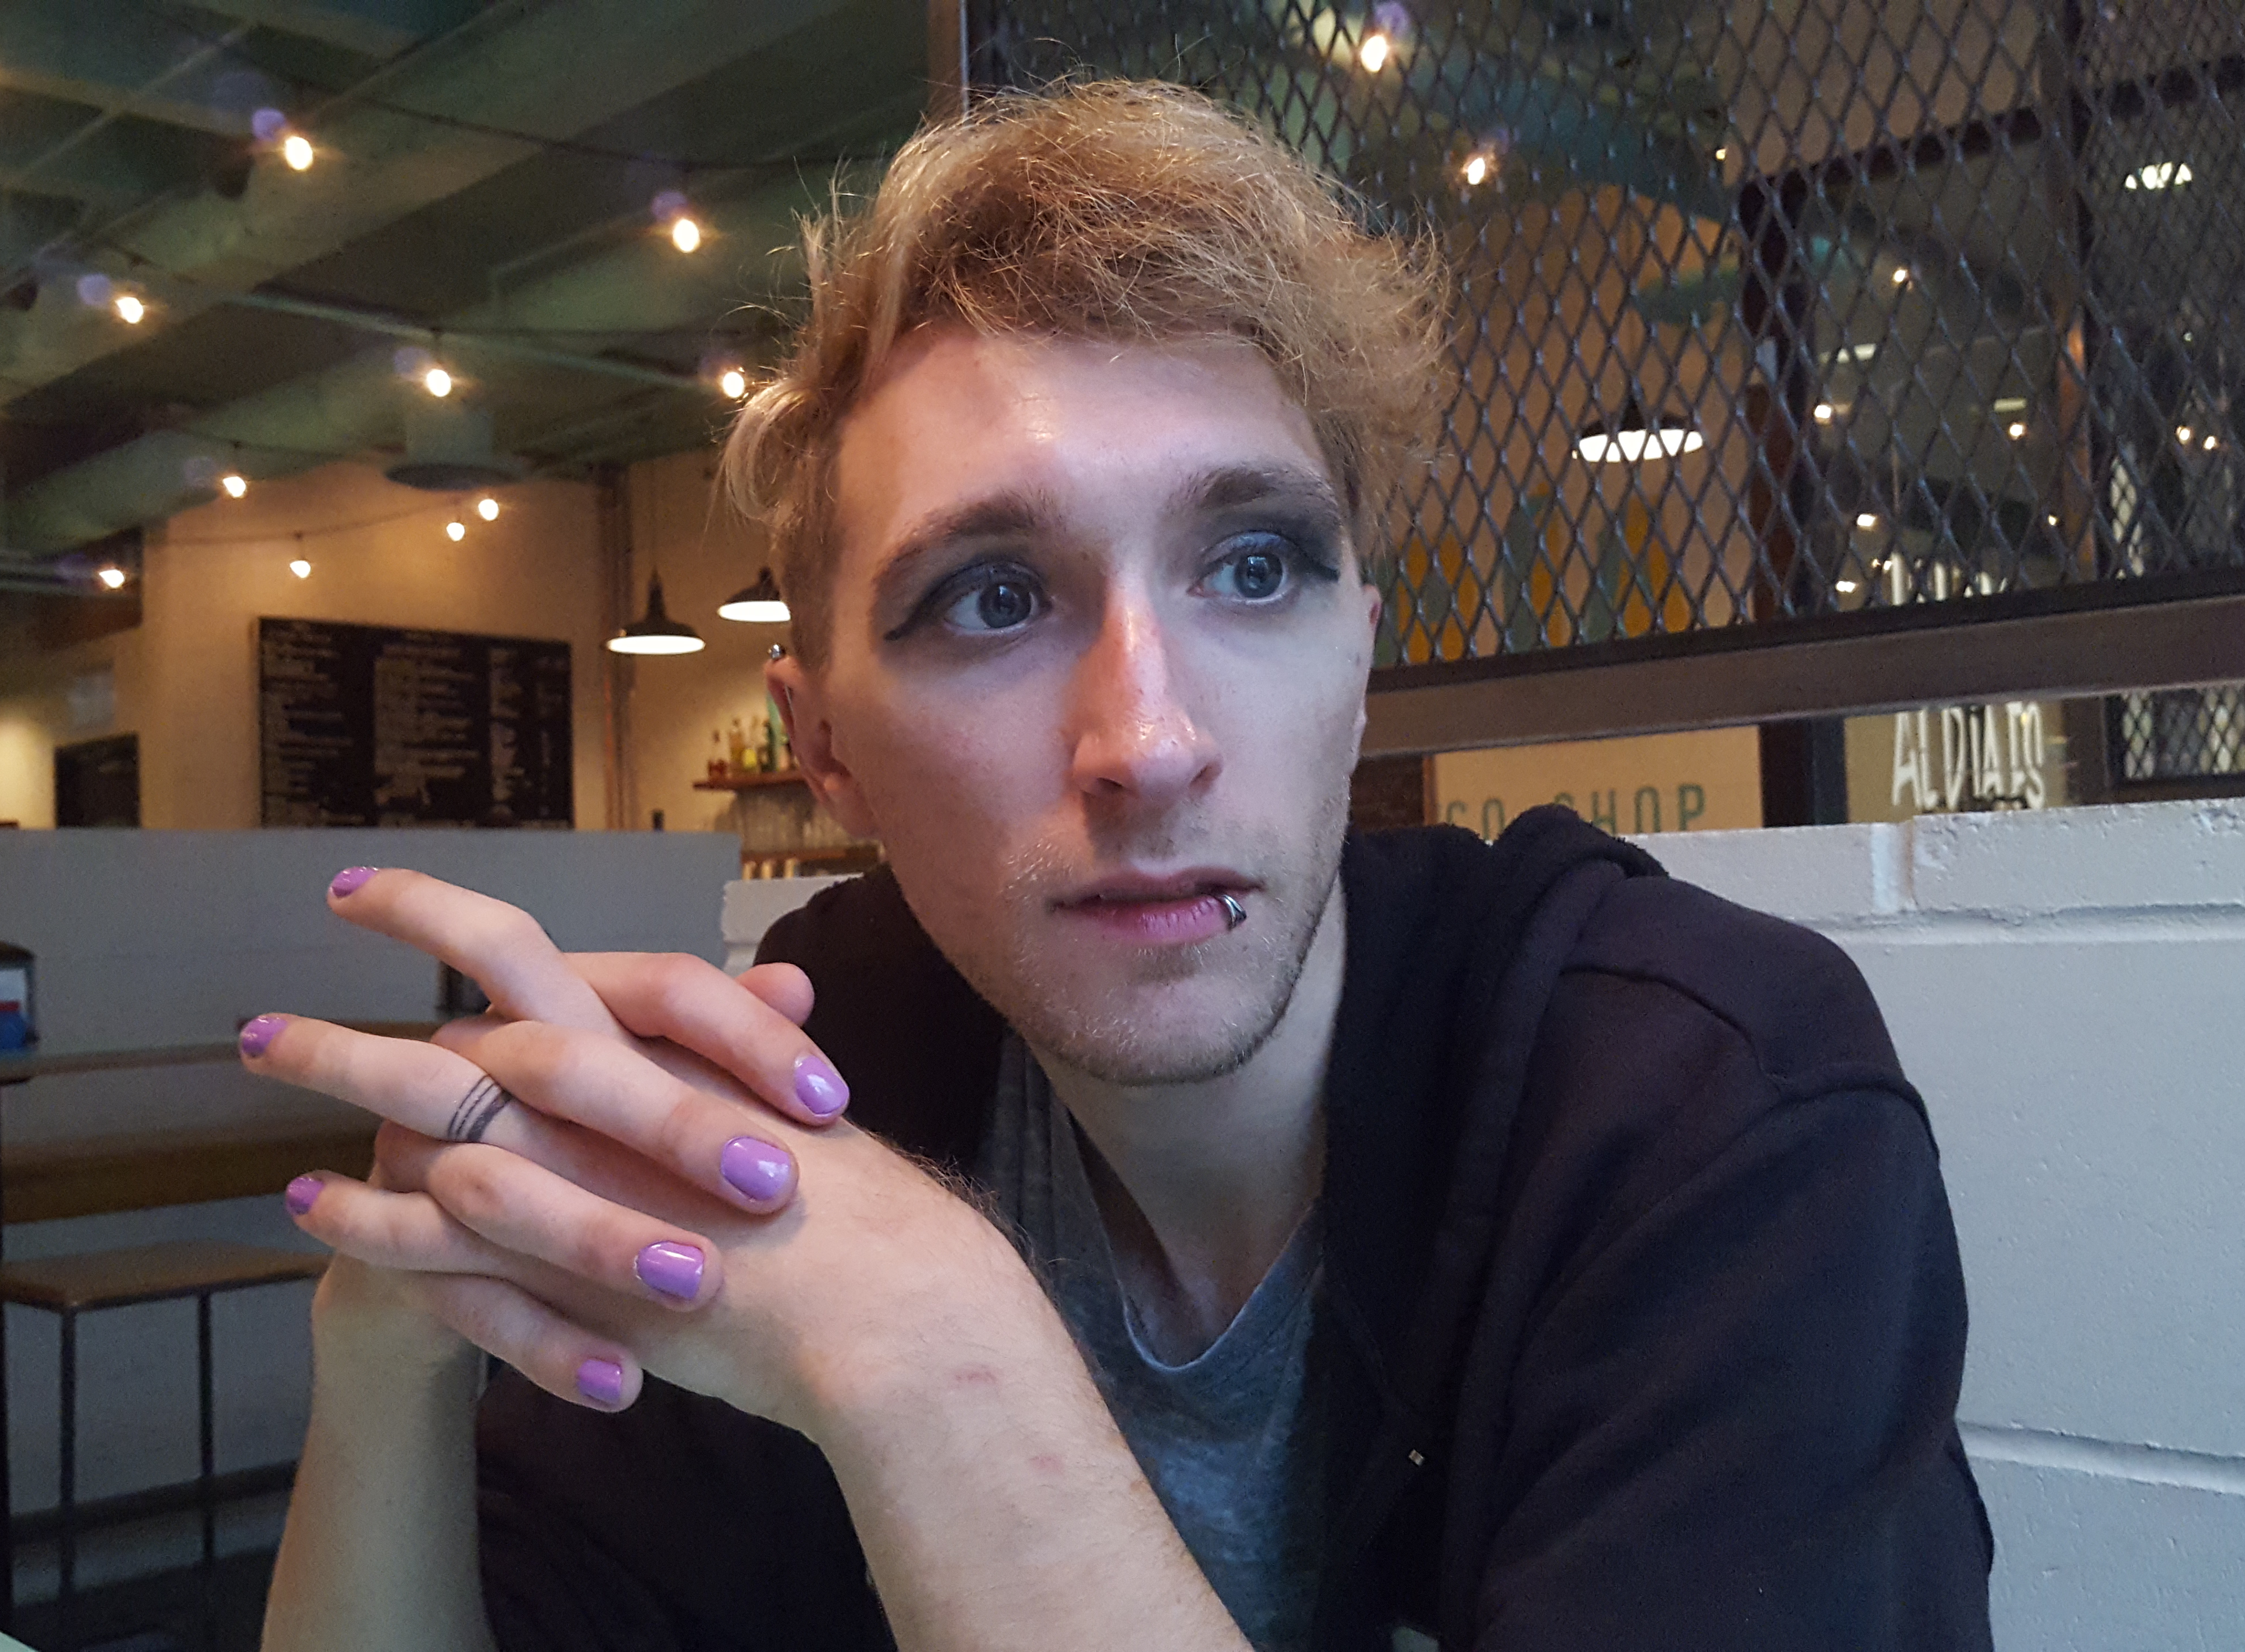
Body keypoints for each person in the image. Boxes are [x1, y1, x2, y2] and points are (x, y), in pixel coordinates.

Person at [245, 80, 1993, 1652]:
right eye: (994, 597)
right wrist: (392, 1352)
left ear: (1360, 658)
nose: (1150, 740)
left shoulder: (1703, 1099)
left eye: (1255, 566)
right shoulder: (819, 1072)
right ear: (825, 746)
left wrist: (936, 1367)